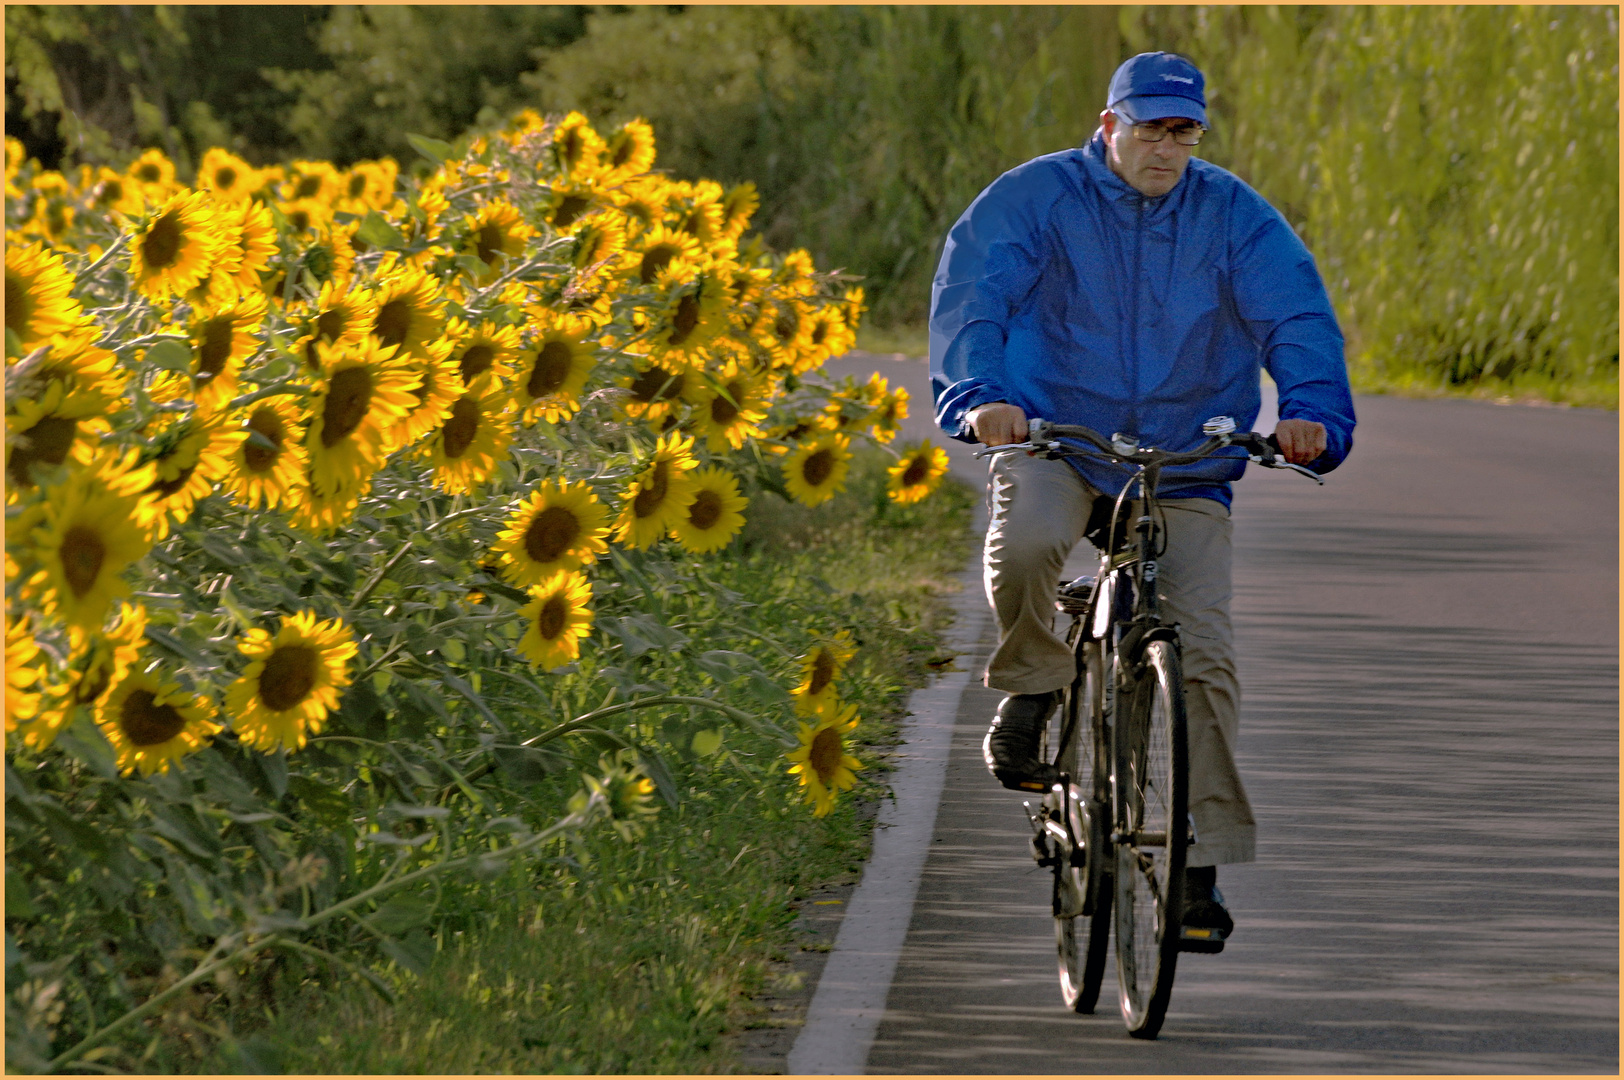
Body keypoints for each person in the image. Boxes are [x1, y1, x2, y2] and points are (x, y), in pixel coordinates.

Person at [928, 51, 1356, 947]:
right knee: (1033, 541)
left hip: (1185, 459)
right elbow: (976, 298)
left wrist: (1310, 413)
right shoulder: (1034, 199)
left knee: (1202, 656)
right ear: (1108, 122)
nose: (1165, 147)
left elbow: (1297, 317)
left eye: (1183, 131)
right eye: (1149, 126)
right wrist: (979, 398)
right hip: (1056, 438)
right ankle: (1038, 683)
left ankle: (1197, 863)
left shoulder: (1235, 216)